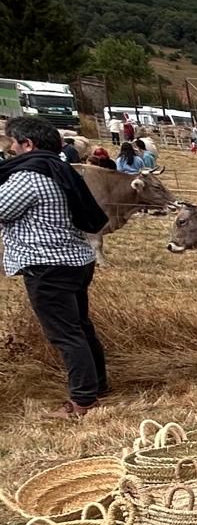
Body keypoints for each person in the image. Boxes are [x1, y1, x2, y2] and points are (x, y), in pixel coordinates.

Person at [0, 116, 111, 418]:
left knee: (66, 334)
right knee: (80, 328)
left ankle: (83, 401)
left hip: (48, 265)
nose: (10, 148)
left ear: (28, 144)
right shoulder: (59, 169)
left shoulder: (29, 177)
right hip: (74, 259)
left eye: (13, 142)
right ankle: (96, 385)